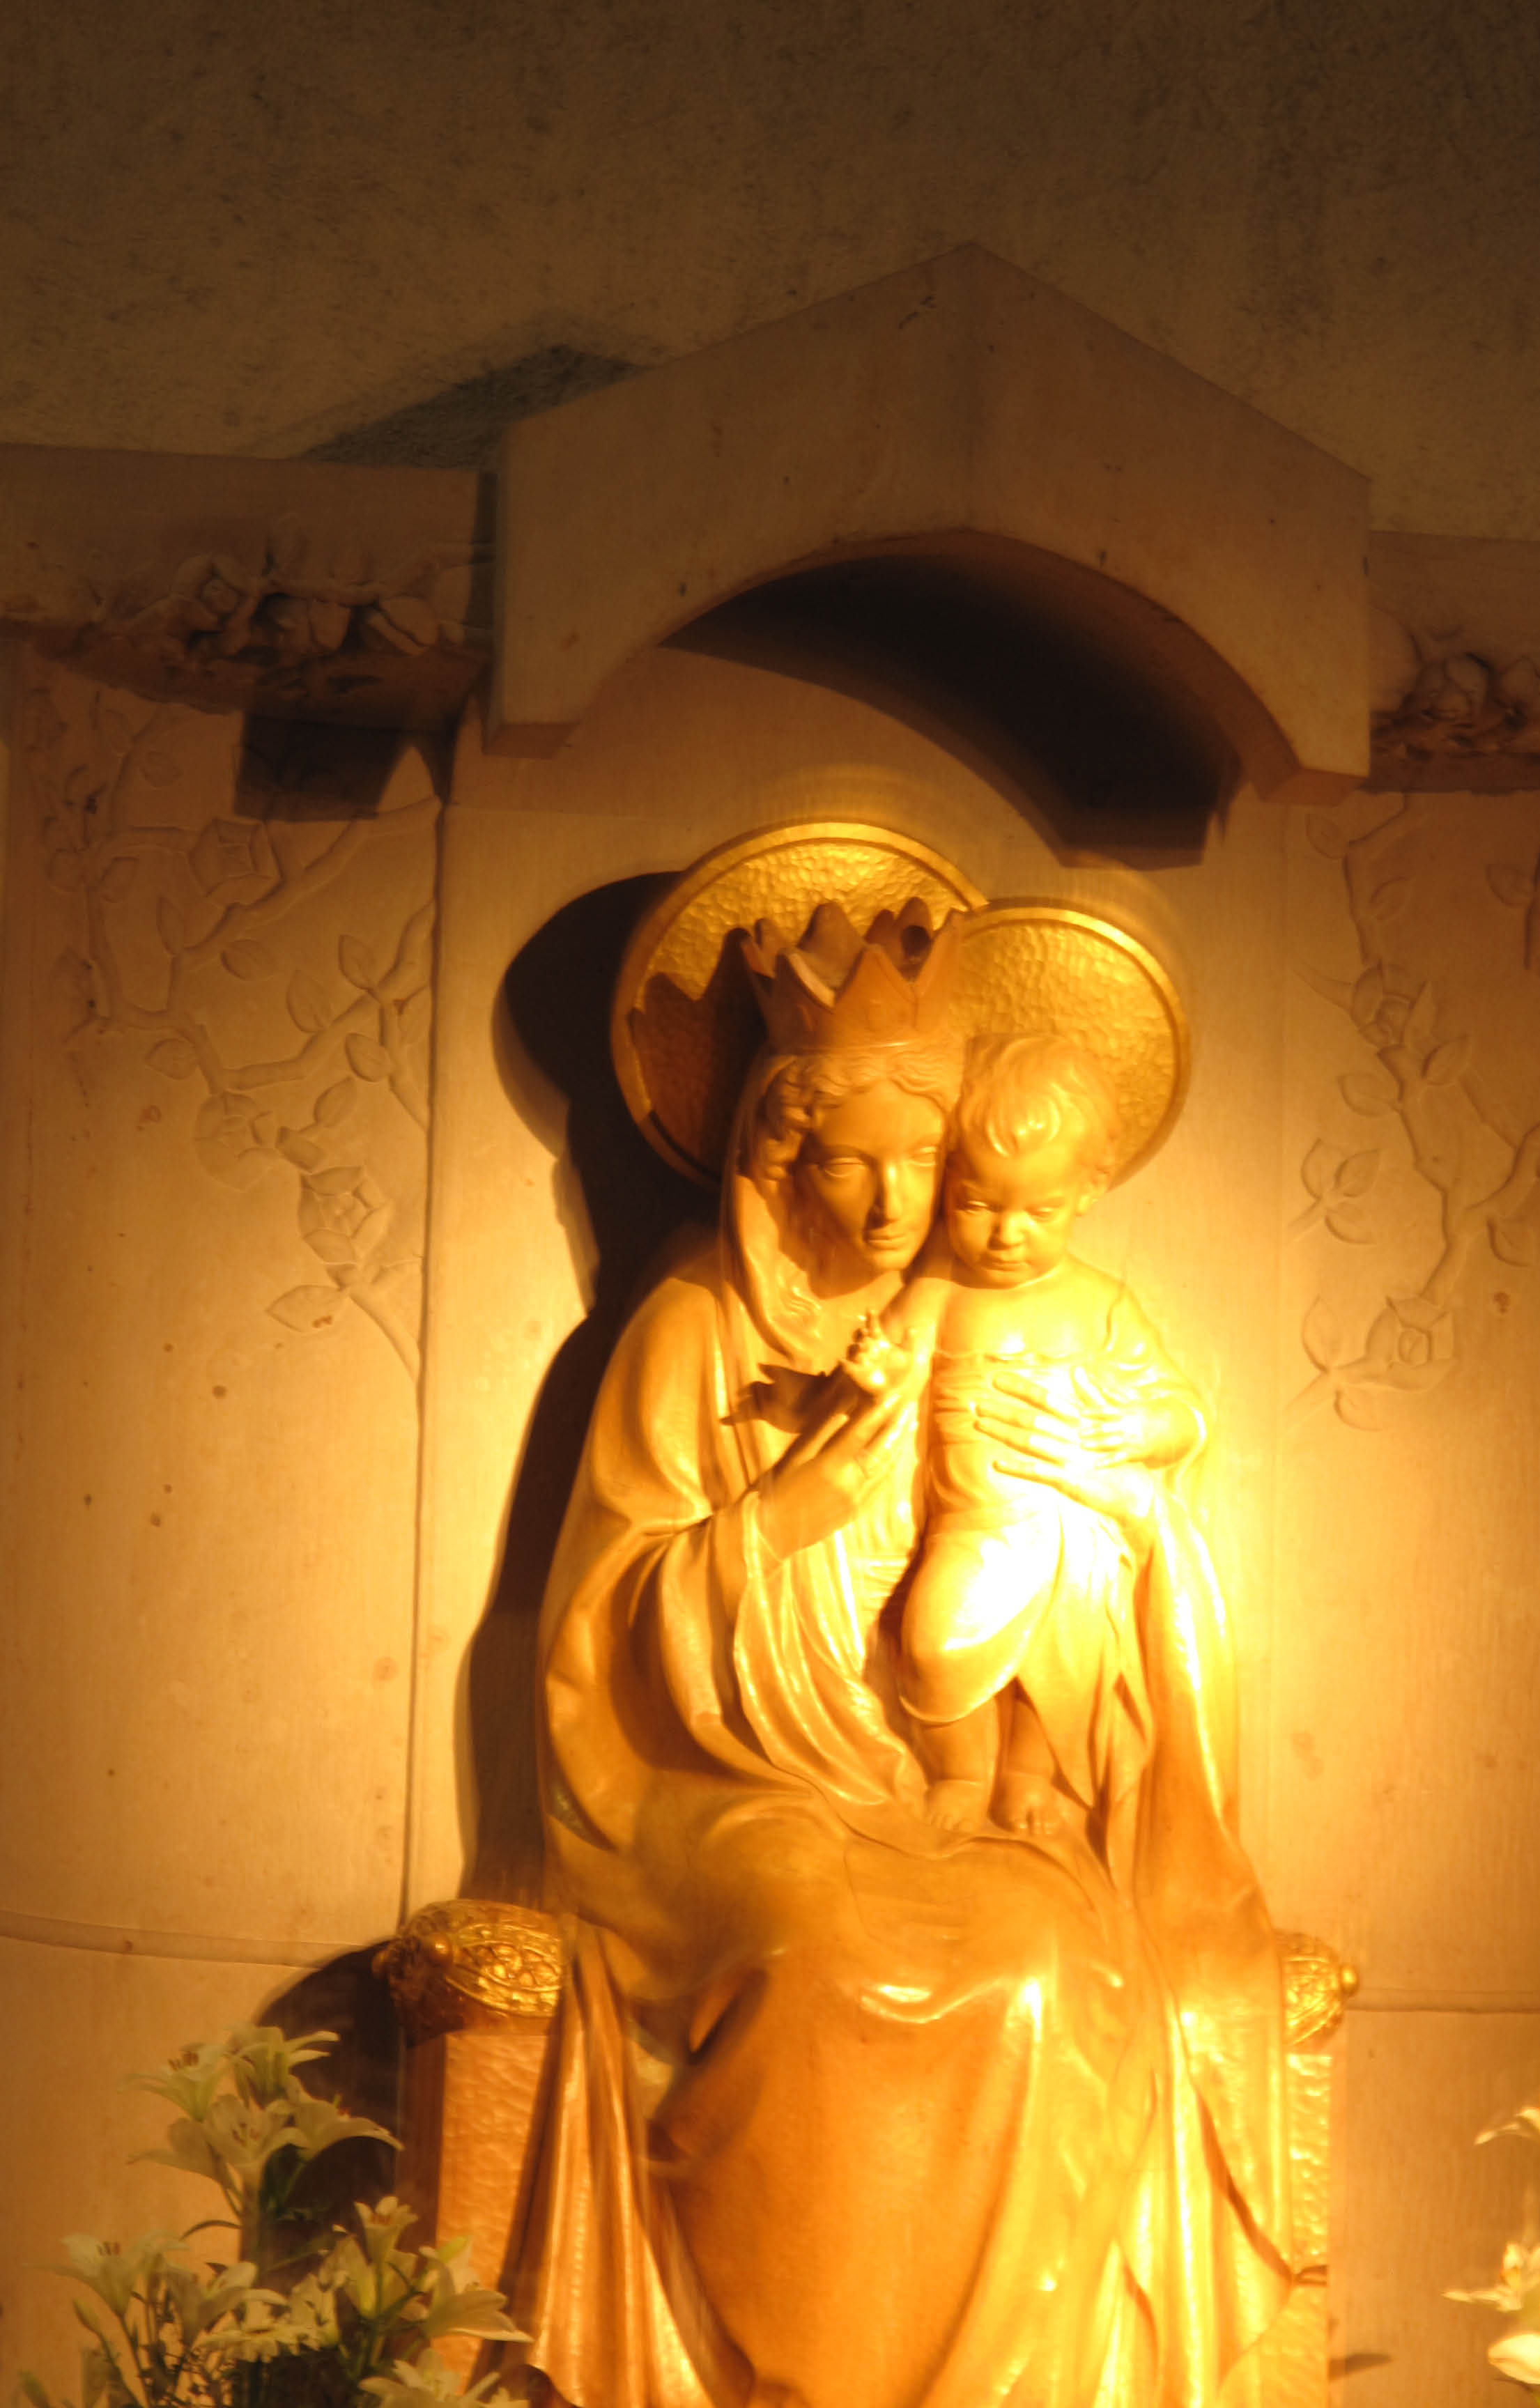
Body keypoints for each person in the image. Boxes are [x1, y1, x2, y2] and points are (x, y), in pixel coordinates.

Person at [523, 896, 1293, 2408]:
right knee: (812, 1950)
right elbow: (599, 1641)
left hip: (948, 1785)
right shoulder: (692, 1327)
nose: (889, 1207)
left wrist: (1093, 1497)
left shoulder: (998, 1317)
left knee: (1048, 1968)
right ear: (774, 1157)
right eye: (846, 1162)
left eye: (919, 1163)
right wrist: (784, 1517)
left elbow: (1124, 1516)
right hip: (724, 1787)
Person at [849, 1033, 1208, 1842]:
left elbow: (1183, 1414)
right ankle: (961, 1769)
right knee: (936, 1644)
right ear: (949, 1184)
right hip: (971, 1527)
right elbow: (890, 1369)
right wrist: (872, 1375)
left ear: (1089, 1189)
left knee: (1061, 1660)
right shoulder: (938, 1292)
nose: (1007, 1233)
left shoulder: (1102, 1306)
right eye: (978, 1204)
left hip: (1072, 1530)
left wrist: (1139, 1426)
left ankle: (1025, 1776)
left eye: (1038, 1211)